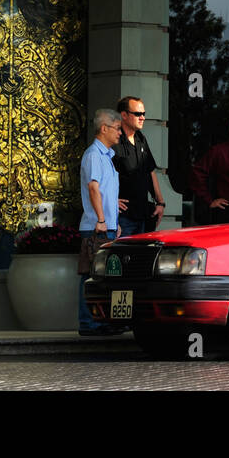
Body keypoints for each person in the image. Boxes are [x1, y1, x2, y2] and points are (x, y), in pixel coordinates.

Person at [78, 108, 122, 336]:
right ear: (104, 128)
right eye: (117, 129)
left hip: (107, 227)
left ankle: (101, 322)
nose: (120, 134)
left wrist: (115, 221)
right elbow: (93, 188)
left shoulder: (107, 157)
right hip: (97, 228)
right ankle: (89, 324)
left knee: (105, 279)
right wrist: (103, 220)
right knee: (92, 277)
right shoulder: (94, 155)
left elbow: (105, 191)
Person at [114, 95, 166, 236]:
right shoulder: (114, 140)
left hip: (144, 214)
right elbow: (100, 176)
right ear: (124, 115)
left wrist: (160, 203)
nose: (142, 117)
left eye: (143, 114)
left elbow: (151, 171)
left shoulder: (141, 138)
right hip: (123, 217)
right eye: (137, 114)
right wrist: (110, 200)